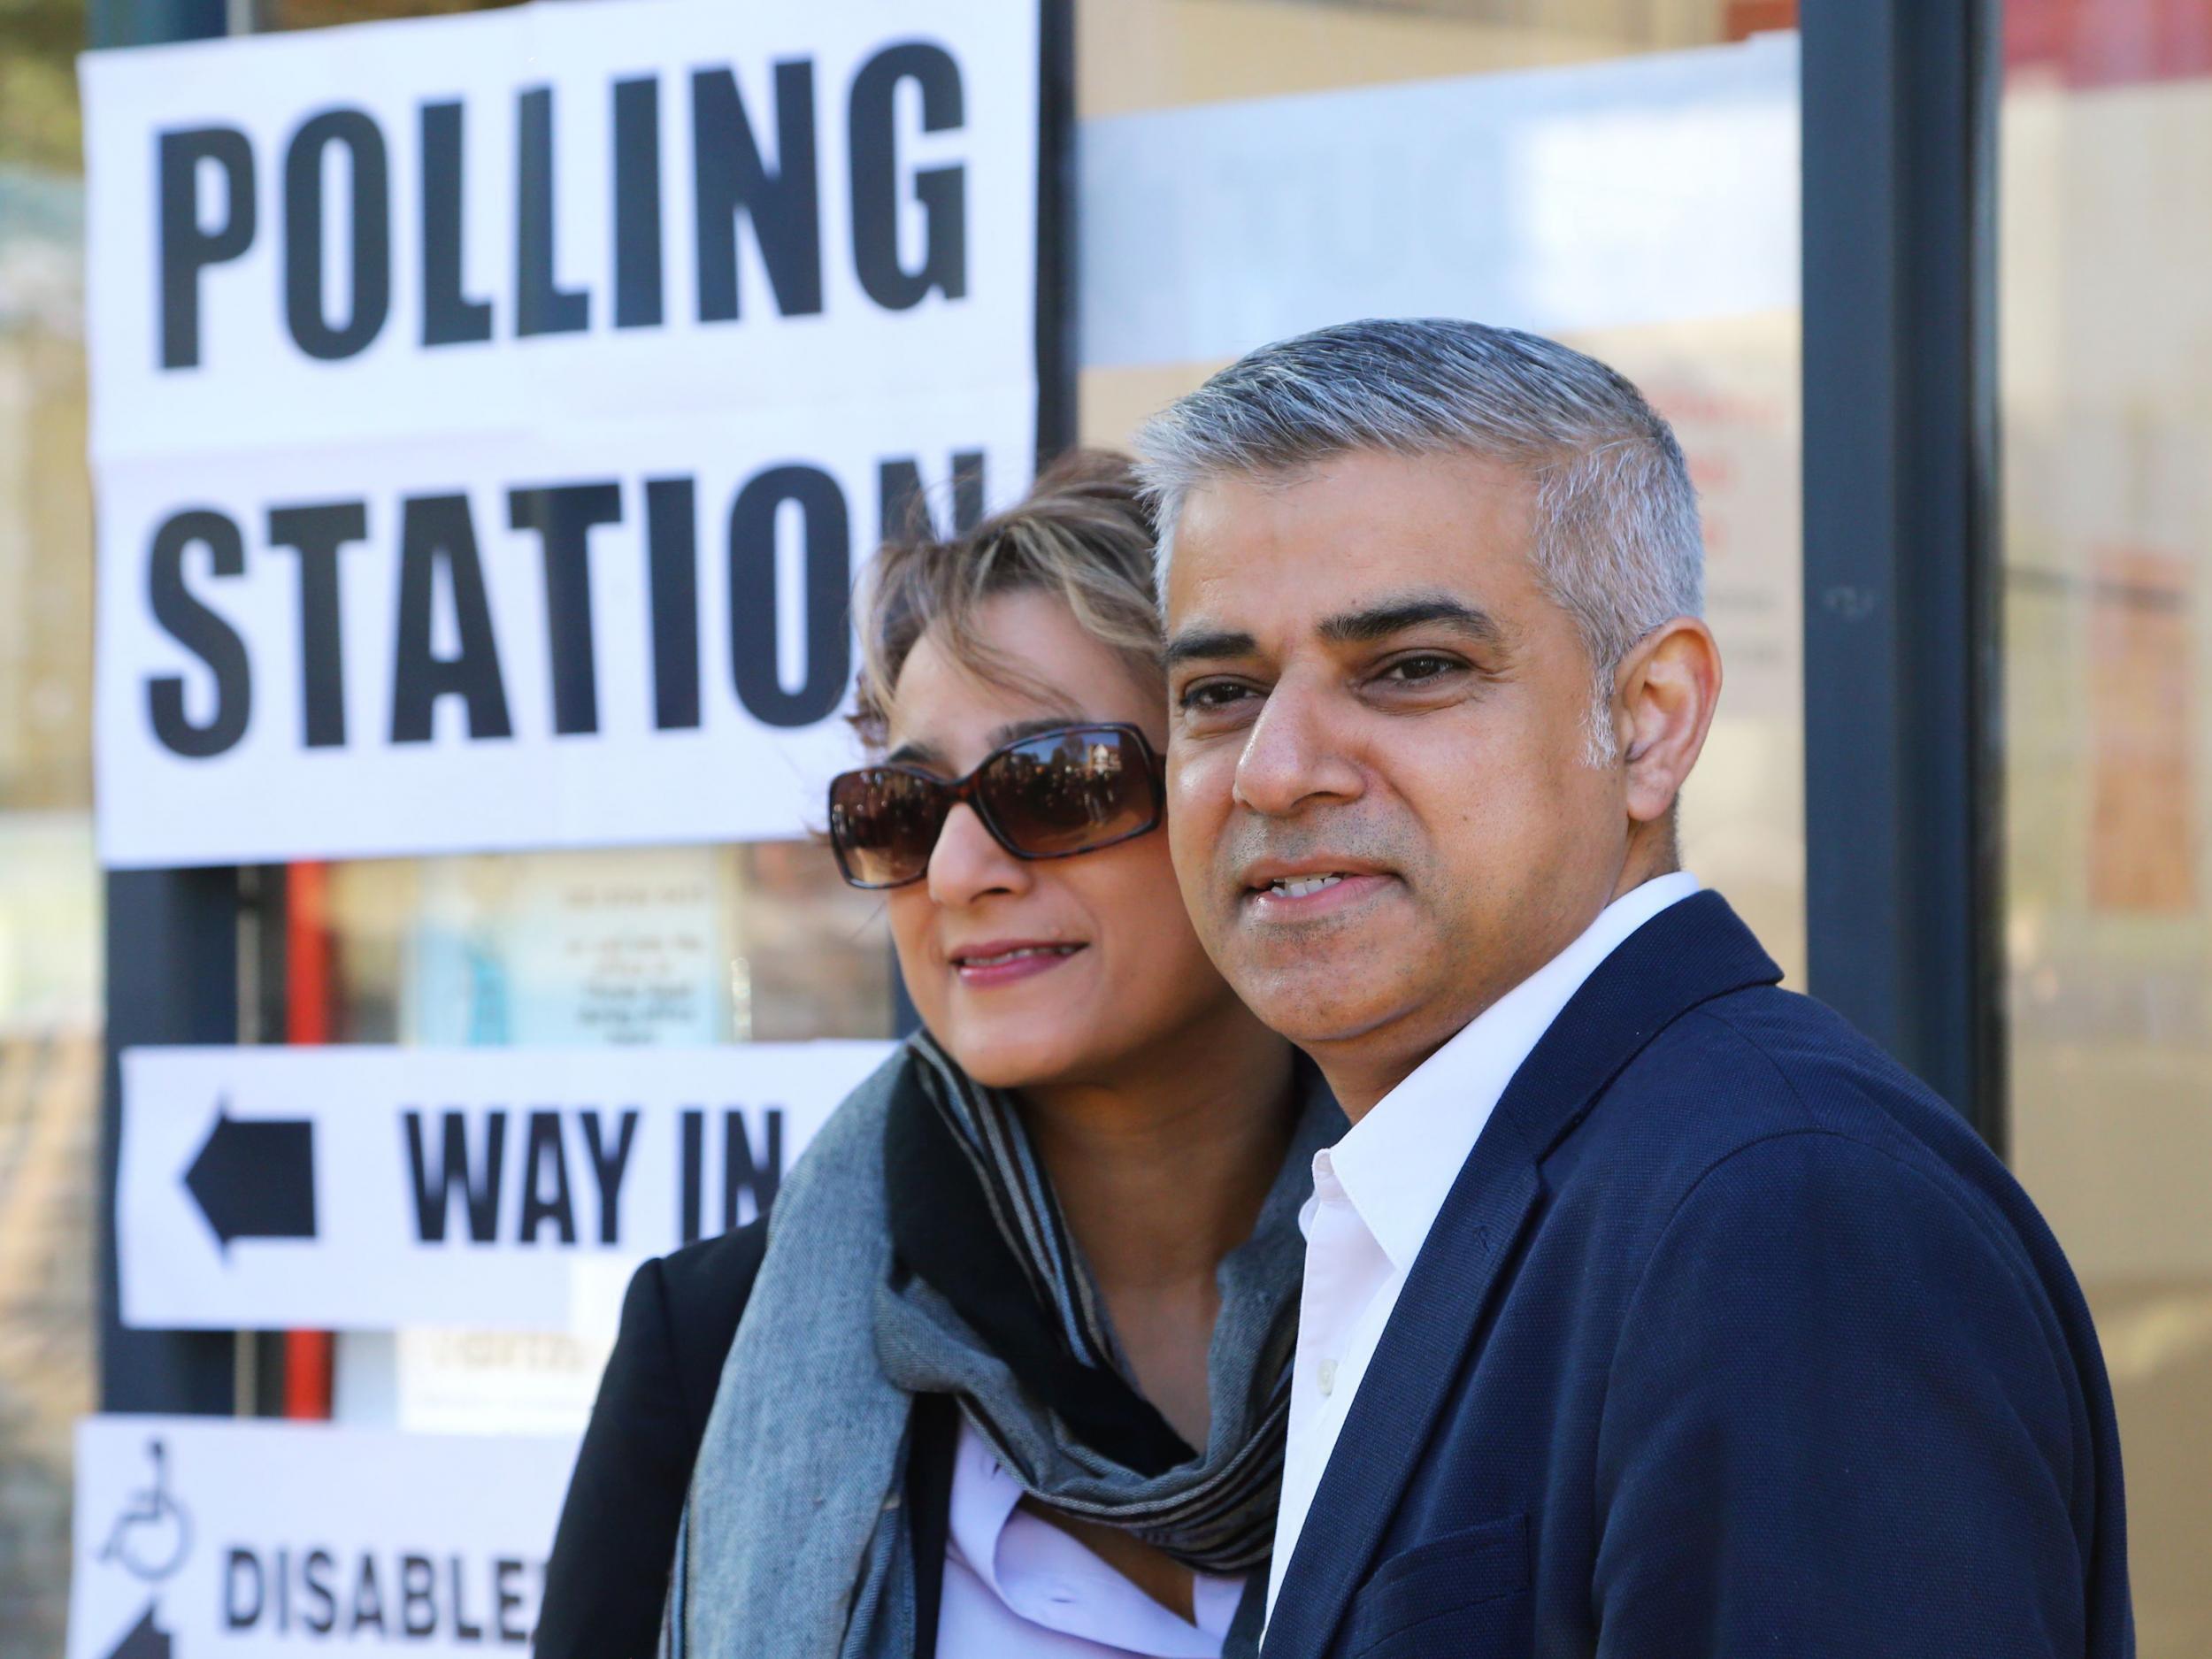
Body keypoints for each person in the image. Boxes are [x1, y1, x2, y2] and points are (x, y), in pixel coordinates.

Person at [1133, 319, 2131, 1658]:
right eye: (1219, 690)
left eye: (1412, 669)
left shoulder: (1787, 1208)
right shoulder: (1455, 1187)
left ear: (1651, 719)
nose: (1275, 767)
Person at [535, 452, 1338, 1659]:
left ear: (1234, 788)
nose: (961, 871)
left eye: (1058, 783)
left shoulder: (1469, 1274)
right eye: (902, 811)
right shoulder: (705, 1344)